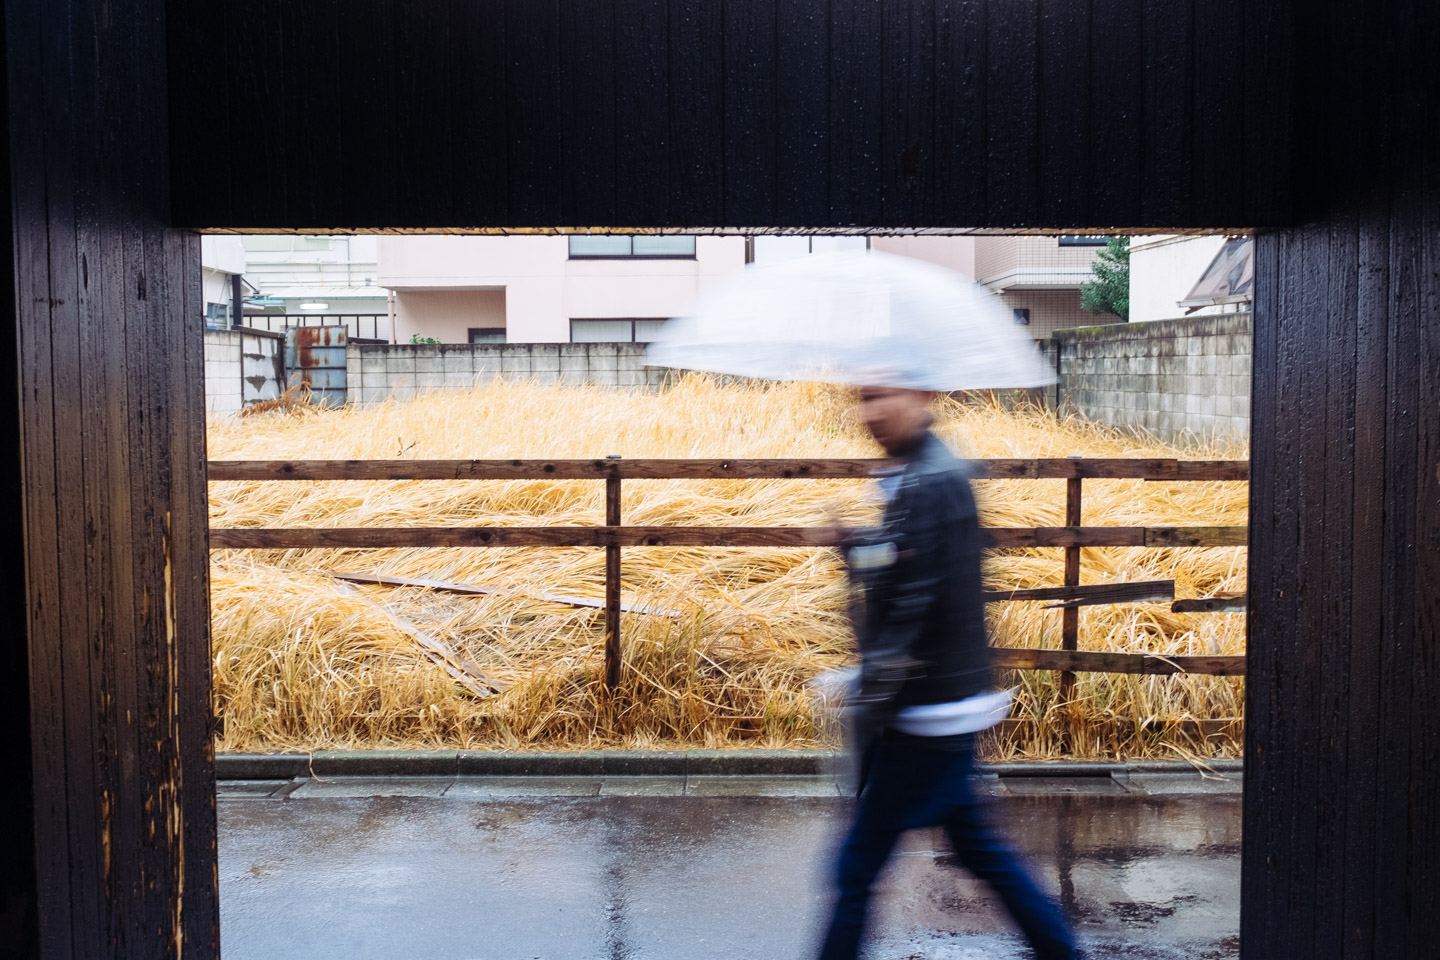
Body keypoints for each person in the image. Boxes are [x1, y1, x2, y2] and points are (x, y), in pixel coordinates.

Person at [813, 384, 1077, 960]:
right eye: (863, 398)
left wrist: (876, 676)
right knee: (984, 852)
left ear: (923, 394)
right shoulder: (920, 473)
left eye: (884, 395)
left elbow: (918, 596)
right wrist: (855, 543)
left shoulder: (931, 481)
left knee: (855, 867)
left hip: (924, 708)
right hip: (941, 700)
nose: (871, 412)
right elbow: (904, 560)